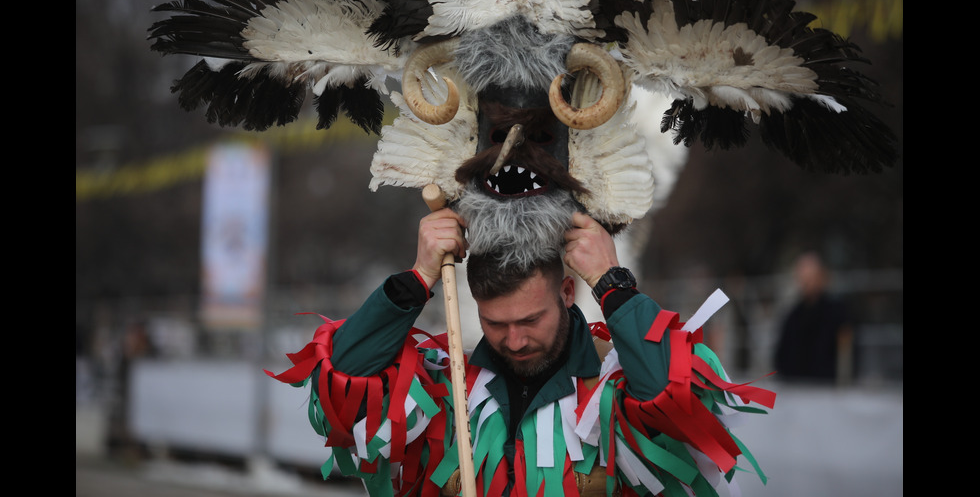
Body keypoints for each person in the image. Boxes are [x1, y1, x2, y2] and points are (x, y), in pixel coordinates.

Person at [268, 208, 774, 496]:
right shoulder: (449, 392)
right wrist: (416, 279)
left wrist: (613, 285)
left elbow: (676, 401)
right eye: (495, 323)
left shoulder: (612, 388)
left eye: (530, 320)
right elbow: (343, 388)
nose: (513, 340)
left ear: (567, 294)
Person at [774, 252, 854, 384]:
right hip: (796, 387)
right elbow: (782, 356)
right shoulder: (792, 315)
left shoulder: (838, 313)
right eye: (802, 278)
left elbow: (845, 356)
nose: (806, 284)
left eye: (810, 278)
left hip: (828, 389)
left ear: (821, 277)